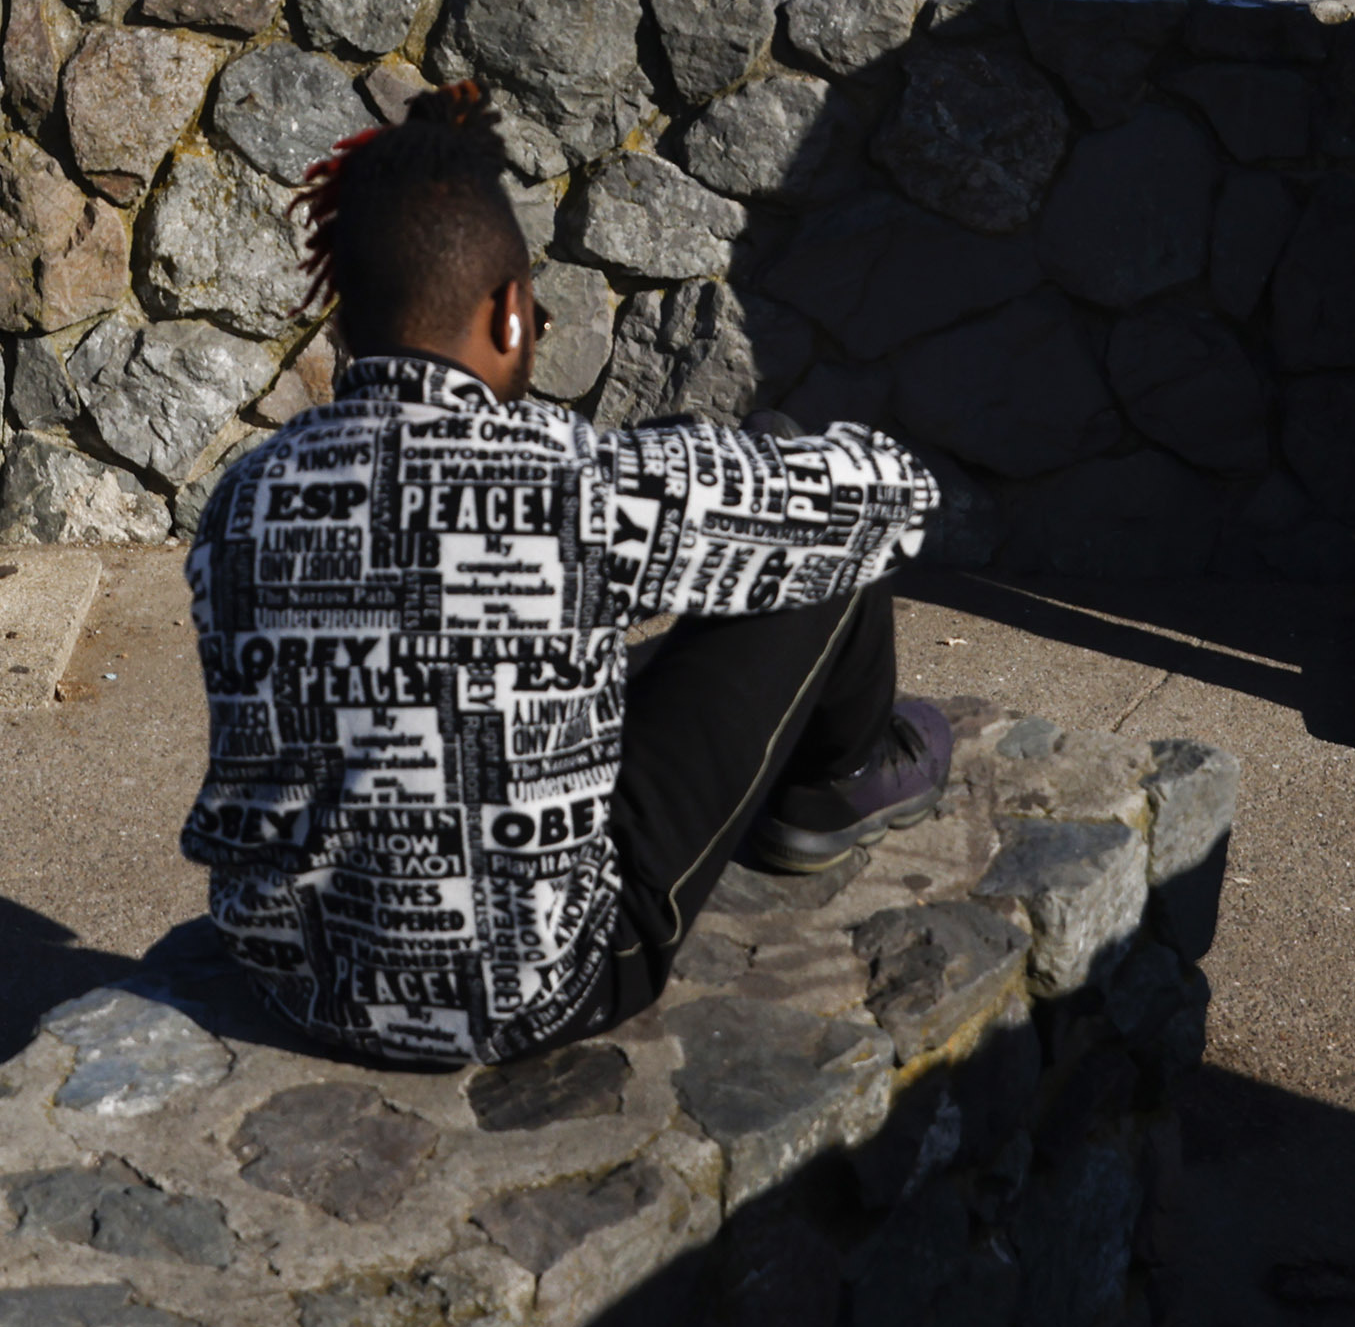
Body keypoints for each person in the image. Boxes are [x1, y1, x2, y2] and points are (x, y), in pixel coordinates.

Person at [180, 83, 951, 1067]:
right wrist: (732, 461)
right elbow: (890, 497)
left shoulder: (242, 497)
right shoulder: (567, 479)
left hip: (288, 976)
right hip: (530, 988)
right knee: (812, 521)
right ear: (508, 313)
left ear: (347, 323)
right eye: (533, 311)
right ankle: (835, 782)